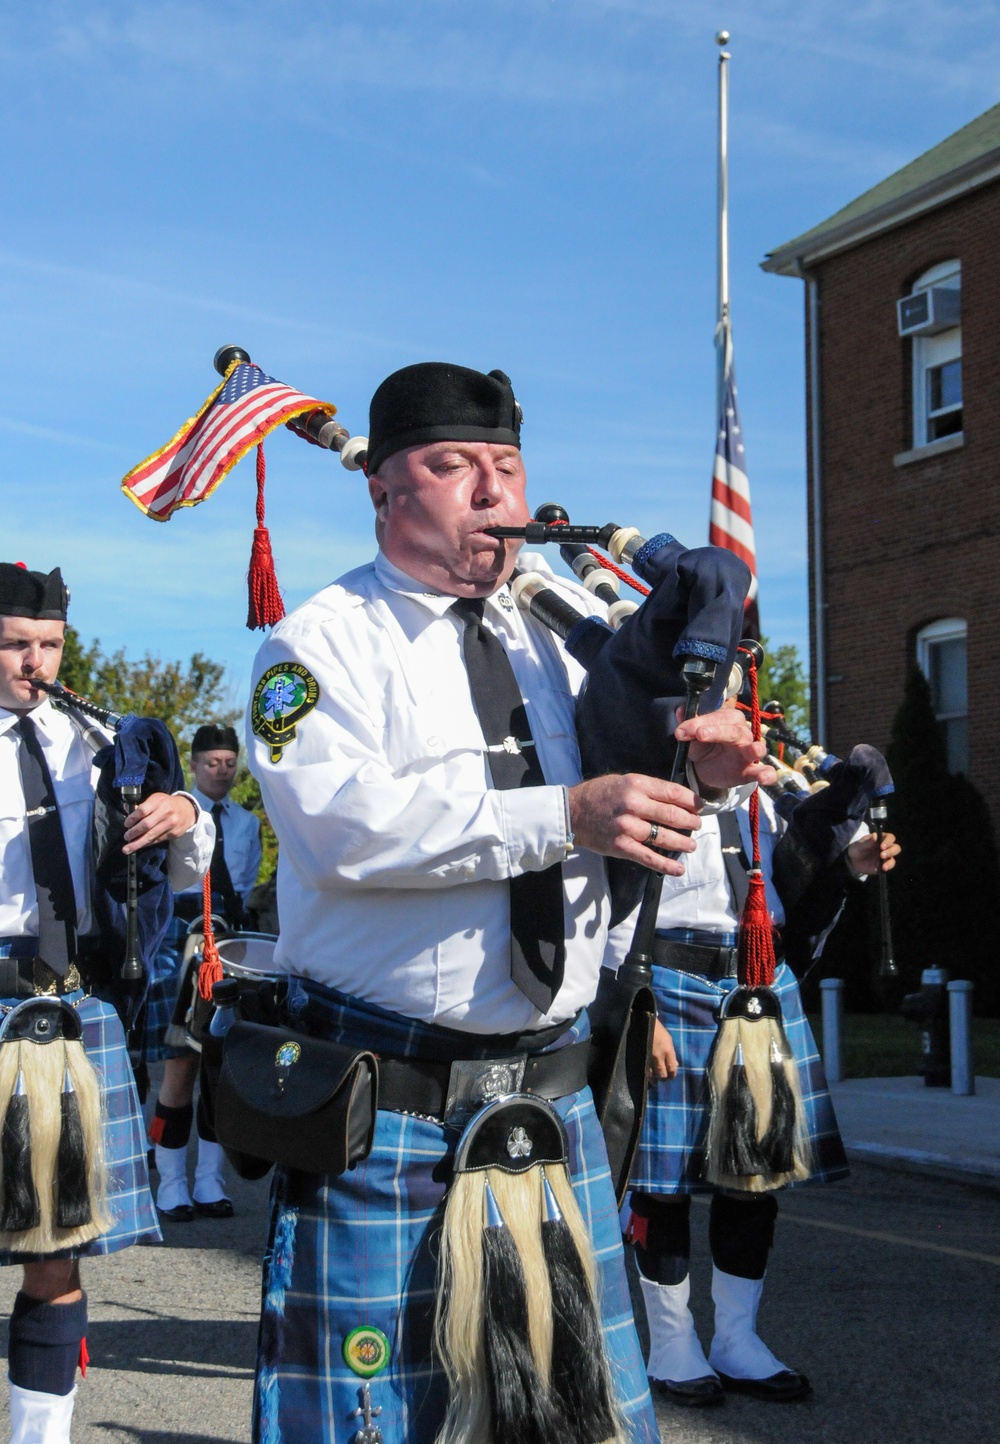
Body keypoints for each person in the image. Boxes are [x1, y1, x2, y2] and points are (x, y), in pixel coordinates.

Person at [245, 361, 775, 1444]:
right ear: (384, 490)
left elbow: (630, 785)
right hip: (385, 1104)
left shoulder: (565, 630)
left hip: (552, 1088)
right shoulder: (314, 644)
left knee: (567, 1424)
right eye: (452, 466)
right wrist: (563, 813)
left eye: (506, 465)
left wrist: (703, 769)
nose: (493, 491)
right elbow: (340, 828)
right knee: (370, 1425)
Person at [0, 560, 214, 1442]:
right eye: (15, 644)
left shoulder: (100, 741)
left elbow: (175, 871)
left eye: (48, 645)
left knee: (55, 1256)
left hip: (69, 1007)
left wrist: (185, 813)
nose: (35, 663)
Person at [607, 777, 900, 1408]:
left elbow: (797, 910)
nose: (754, 746)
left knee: (754, 1179)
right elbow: (609, 903)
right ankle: (672, 1344)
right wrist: (636, 1004)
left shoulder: (768, 804)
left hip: (758, 987)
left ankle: (737, 1341)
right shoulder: (657, 785)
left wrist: (847, 867)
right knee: (663, 1185)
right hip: (669, 984)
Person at [147, 723, 262, 1222]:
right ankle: (170, 1182)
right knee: (179, 1063)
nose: (221, 770)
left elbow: (249, 885)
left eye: (229, 762)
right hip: (180, 941)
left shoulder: (248, 823)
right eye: (211, 762)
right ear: (194, 765)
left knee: (220, 1068)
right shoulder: (178, 813)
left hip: (227, 945)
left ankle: (210, 1181)